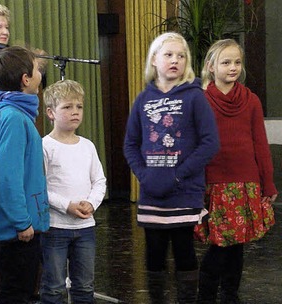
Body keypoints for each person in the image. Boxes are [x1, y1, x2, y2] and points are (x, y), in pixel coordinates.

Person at [123, 32, 219, 304]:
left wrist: (178, 174)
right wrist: (144, 176)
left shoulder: (194, 97)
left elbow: (210, 143)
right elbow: (131, 144)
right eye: (168, 55)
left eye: (181, 56)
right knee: (154, 254)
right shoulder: (143, 100)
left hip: (184, 191)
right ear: (154, 59)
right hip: (152, 193)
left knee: (184, 252)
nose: (175, 60)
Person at [195, 39, 278, 304]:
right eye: (226, 62)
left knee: (237, 245)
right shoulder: (200, 102)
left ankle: (230, 295)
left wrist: (268, 184)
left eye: (237, 62)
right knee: (220, 245)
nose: (233, 67)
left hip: (246, 182)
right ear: (210, 66)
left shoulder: (251, 100)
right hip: (216, 185)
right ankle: (206, 297)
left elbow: (260, 144)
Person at [0, 45, 50, 304]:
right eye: (36, 70)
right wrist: (22, 221)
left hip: (23, 226)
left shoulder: (16, 115)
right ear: (25, 79)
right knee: (16, 294)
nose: (39, 75)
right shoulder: (14, 118)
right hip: (20, 229)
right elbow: (7, 178)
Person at [39, 80, 106, 304]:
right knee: (54, 287)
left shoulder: (87, 146)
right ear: (51, 112)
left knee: (84, 286)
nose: (75, 112)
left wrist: (91, 203)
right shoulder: (45, 146)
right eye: (67, 107)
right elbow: (40, 187)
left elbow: (99, 180)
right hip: (55, 227)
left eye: (79, 107)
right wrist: (66, 205)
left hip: (85, 228)